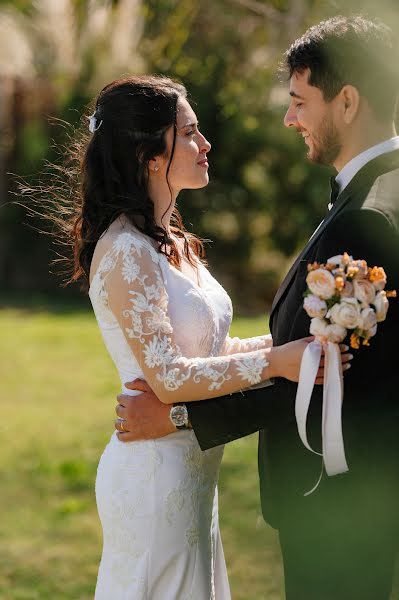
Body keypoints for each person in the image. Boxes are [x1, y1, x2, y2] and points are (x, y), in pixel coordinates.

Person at [116, 16, 399, 600]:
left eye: (299, 102)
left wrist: (178, 419)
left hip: (340, 504)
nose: (289, 118)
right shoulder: (373, 193)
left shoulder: (369, 214)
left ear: (347, 102)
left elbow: (331, 374)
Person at [70, 75, 350, 599]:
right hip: (154, 476)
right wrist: (277, 363)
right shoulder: (127, 251)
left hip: (192, 472)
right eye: (190, 132)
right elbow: (171, 376)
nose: (206, 144)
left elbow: (209, 353)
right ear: (150, 154)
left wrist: (292, 346)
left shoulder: (172, 240)